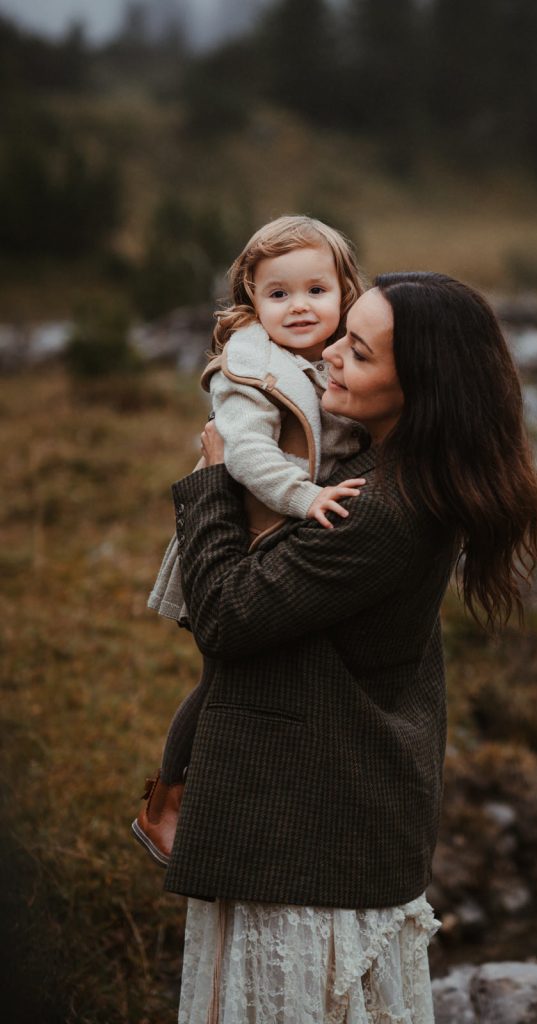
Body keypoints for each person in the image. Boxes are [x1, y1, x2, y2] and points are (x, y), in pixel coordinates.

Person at [162, 271, 537, 1023]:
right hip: (331, 818)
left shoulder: (380, 508)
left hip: (309, 836)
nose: (329, 354)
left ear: (419, 390)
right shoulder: (391, 472)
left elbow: (225, 616)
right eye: (343, 335)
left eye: (359, 353)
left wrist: (212, 479)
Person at [134, 217, 368, 867]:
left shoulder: (329, 358)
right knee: (221, 677)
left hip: (277, 539)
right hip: (238, 540)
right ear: (251, 300)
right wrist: (304, 496)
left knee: (255, 676)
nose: (299, 307)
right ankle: (165, 803)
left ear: (345, 293)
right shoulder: (248, 370)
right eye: (278, 294)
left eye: (316, 290)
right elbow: (244, 453)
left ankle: (230, 797)